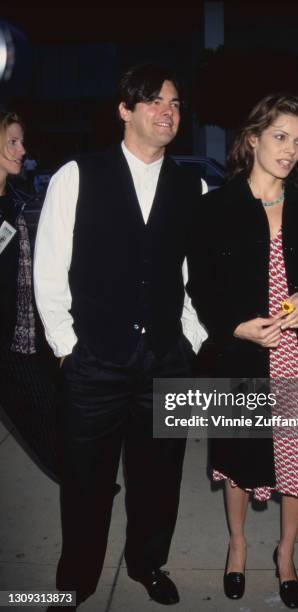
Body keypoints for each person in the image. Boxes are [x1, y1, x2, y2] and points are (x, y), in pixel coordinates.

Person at [34, 64, 206, 609]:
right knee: (86, 482)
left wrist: (191, 339)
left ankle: (148, 563)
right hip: (94, 363)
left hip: (166, 360)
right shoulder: (76, 176)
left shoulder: (192, 184)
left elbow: (196, 275)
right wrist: (66, 348)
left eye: (175, 103)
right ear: (124, 110)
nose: (167, 112)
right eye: (153, 101)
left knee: (160, 479)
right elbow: (50, 267)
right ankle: (78, 578)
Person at [187, 94, 298, 608]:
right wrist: (235, 328)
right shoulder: (215, 208)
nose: (289, 150)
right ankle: (237, 546)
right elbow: (200, 288)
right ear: (253, 137)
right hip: (242, 356)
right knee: (239, 456)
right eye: (279, 136)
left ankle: (285, 554)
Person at [0, 111, 59, 479]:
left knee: (52, 410)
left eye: (22, 141)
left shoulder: (18, 200)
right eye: (12, 142)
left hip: (20, 335)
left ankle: (81, 481)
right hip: (8, 339)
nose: (23, 150)